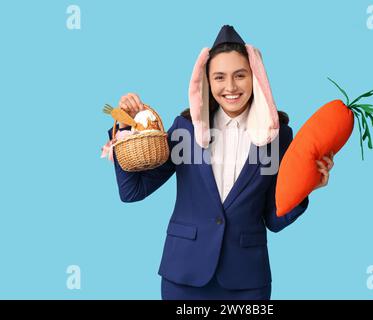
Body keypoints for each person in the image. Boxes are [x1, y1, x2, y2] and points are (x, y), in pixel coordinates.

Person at [107, 25, 334, 300]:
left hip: (247, 280)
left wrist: (307, 184)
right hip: (184, 277)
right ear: (206, 81)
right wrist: (125, 129)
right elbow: (133, 191)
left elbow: (274, 219)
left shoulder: (278, 136)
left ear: (256, 78)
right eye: (219, 77)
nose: (230, 87)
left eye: (240, 75)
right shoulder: (185, 130)